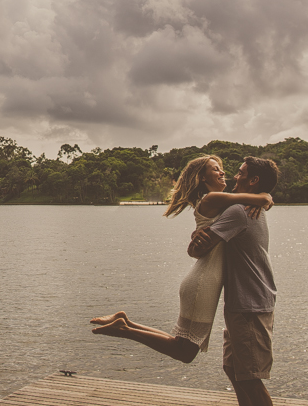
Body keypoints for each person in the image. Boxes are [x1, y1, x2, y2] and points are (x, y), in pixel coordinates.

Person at [90, 155, 273, 363]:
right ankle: (125, 329)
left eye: (221, 168)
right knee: (185, 351)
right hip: (204, 282)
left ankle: (125, 323)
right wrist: (265, 196)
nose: (223, 172)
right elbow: (262, 200)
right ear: (203, 179)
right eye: (215, 169)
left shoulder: (223, 204)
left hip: (206, 279)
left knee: (182, 345)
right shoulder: (212, 199)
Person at [188, 156, 280, 406]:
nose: (234, 177)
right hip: (245, 302)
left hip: (249, 305)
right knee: (234, 370)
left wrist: (196, 240)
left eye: (240, 173)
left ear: (254, 180)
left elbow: (199, 250)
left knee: (250, 377)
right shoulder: (247, 207)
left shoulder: (239, 211)